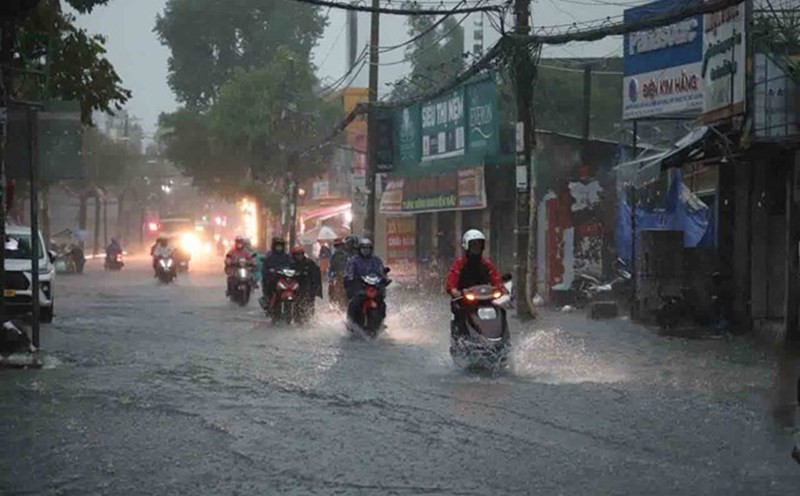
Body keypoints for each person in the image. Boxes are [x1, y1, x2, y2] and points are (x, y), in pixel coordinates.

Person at [445, 229, 504, 339]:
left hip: (486, 299)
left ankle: (502, 337)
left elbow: (496, 280)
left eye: (478, 245)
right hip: (464, 300)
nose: (476, 249)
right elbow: (451, 283)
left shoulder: (486, 264)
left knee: (501, 310)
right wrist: (456, 292)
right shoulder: (459, 264)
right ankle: (461, 339)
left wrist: (501, 289)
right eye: (473, 245)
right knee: (459, 312)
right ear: (467, 246)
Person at [345, 238, 388, 324]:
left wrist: (384, 278)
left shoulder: (376, 260)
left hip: (373, 286)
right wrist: (350, 277)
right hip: (359, 286)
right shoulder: (353, 260)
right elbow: (349, 272)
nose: (366, 250)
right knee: (354, 303)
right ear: (359, 249)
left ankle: (381, 322)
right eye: (363, 248)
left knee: (382, 303)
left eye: (368, 248)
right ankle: (351, 321)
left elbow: (380, 271)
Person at [290, 245, 323, 317]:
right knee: (297, 308)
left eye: (300, 254)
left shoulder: (310, 263)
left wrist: (315, 289)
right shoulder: (291, 264)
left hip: (308, 289)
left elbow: (316, 277)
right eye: (297, 254)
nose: (299, 256)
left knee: (309, 308)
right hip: (295, 289)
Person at [261, 236, 292, 307]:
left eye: (280, 246)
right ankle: (269, 299)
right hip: (273, 279)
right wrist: (270, 271)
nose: (279, 248)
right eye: (278, 246)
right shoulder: (270, 257)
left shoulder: (287, 257)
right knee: (270, 285)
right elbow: (265, 268)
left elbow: (291, 265)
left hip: (285, 279)